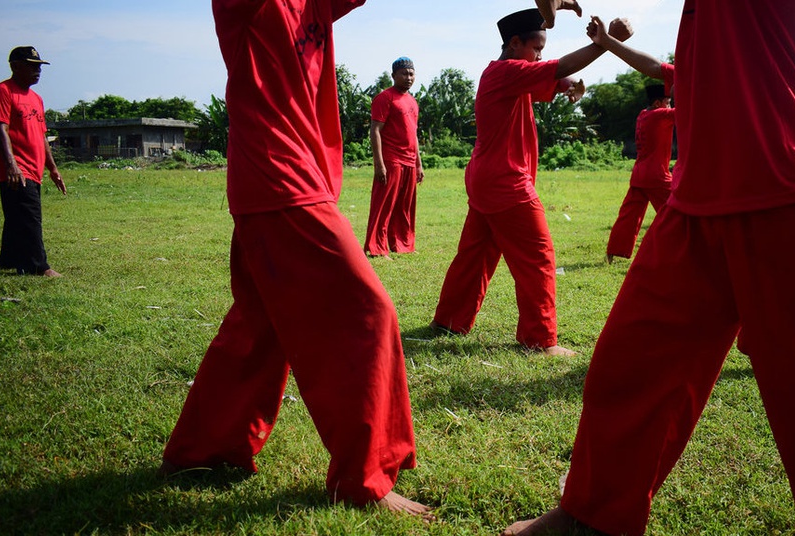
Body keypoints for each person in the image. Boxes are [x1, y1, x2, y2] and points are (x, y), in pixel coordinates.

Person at [503, 2, 795, 535]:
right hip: (695, 205)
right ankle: (591, 519)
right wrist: (611, 44)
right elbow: (665, 70)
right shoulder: (710, 42)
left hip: (784, 192)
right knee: (628, 372)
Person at [158, 0, 431, 518]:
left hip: (288, 180)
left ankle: (203, 451)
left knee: (258, 327)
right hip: (281, 178)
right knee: (367, 314)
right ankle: (364, 477)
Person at [431, 9, 629, 358]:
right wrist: (605, 43)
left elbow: (555, 79)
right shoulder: (508, 71)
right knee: (538, 257)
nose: (539, 55)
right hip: (507, 183)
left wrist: (570, 86)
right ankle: (539, 340)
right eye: (536, 48)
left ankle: (449, 321)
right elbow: (558, 68)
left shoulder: (503, 74)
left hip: (486, 179)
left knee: (474, 256)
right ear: (514, 43)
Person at [0, 46, 65, 277]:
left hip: (35, 168)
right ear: (15, 66)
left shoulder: (36, 99)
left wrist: (53, 169)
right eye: (32, 65)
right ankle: (38, 265)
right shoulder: (3, 91)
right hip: (18, 168)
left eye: (39, 66)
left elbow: (42, 135)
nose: (38, 71)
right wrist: (11, 163)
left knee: (17, 215)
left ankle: (8, 261)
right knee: (30, 215)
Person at [605, 82, 674, 263]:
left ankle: (613, 251)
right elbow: (689, 111)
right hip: (657, 176)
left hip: (639, 174)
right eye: (669, 101)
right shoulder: (661, 115)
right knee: (676, 212)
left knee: (628, 216)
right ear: (658, 103)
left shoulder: (643, 115)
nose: (671, 105)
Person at [364, 56, 423, 258]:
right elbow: (375, 130)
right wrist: (379, 164)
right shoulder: (385, 98)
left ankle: (402, 244)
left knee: (405, 207)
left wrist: (419, 164)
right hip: (391, 159)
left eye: (411, 73)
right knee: (384, 205)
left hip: (409, 161)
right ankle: (376, 248)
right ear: (394, 75)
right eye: (404, 73)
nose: (408, 77)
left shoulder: (413, 101)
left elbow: (413, 134)